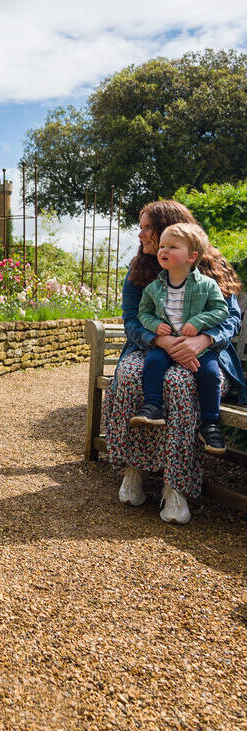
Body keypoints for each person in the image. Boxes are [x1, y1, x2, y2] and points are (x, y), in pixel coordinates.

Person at [104, 200, 246, 525]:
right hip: (154, 345)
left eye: (146, 227)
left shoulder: (211, 267)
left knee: (180, 383)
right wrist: (161, 339)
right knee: (129, 374)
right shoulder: (139, 270)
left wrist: (203, 340)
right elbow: (131, 320)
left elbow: (231, 319)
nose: (140, 235)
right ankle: (134, 469)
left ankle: (176, 485)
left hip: (203, 354)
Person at [131, 223, 229, 456]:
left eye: (172, 246)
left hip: (198, 349)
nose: (163, 250)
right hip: (165, 345)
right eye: (162, 245)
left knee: (210, 374)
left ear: (191, 257)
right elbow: (143, 313)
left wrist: (199, 322)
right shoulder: (154, 288)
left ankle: (210, 424)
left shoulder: (206, 285)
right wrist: (155, 326)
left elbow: (221, 310)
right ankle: (153, 407)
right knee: (152, 362)